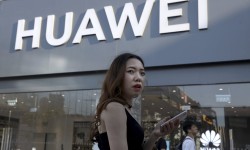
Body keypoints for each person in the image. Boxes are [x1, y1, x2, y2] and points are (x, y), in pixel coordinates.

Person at [90, 53, 179, 150]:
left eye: (142, 73)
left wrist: (155, 134)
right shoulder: (114, 107)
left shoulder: (123, 108)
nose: (138, 78)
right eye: (131, 71)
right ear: (117, 76)